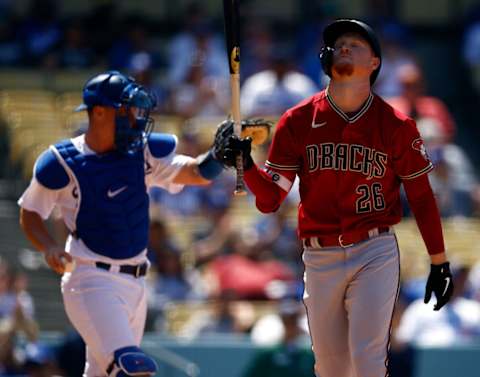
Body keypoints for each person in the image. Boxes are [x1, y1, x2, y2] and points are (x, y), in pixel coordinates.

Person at [220, 19, 454, 377]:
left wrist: (439, 261)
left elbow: (421, 197)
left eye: (354, 44)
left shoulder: (396, 124)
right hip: (319, 255)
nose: (343, 47)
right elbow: (269, 201)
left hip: (373, 249)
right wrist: (246, 164)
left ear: (375, 62)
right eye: (338, 43)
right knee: (330, 368)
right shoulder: (296, 120)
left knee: (367, 360)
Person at [17, 70, 230, 377]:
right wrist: (48, 245)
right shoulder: (63, 161)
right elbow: (31, 211)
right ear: (99, 112)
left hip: (136, 283)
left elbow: (195, 173)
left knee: (102, 373)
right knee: (133, 368)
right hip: (91, 280)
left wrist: (219, 156)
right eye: (127, 110)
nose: (135, 118)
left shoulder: (140, 151)